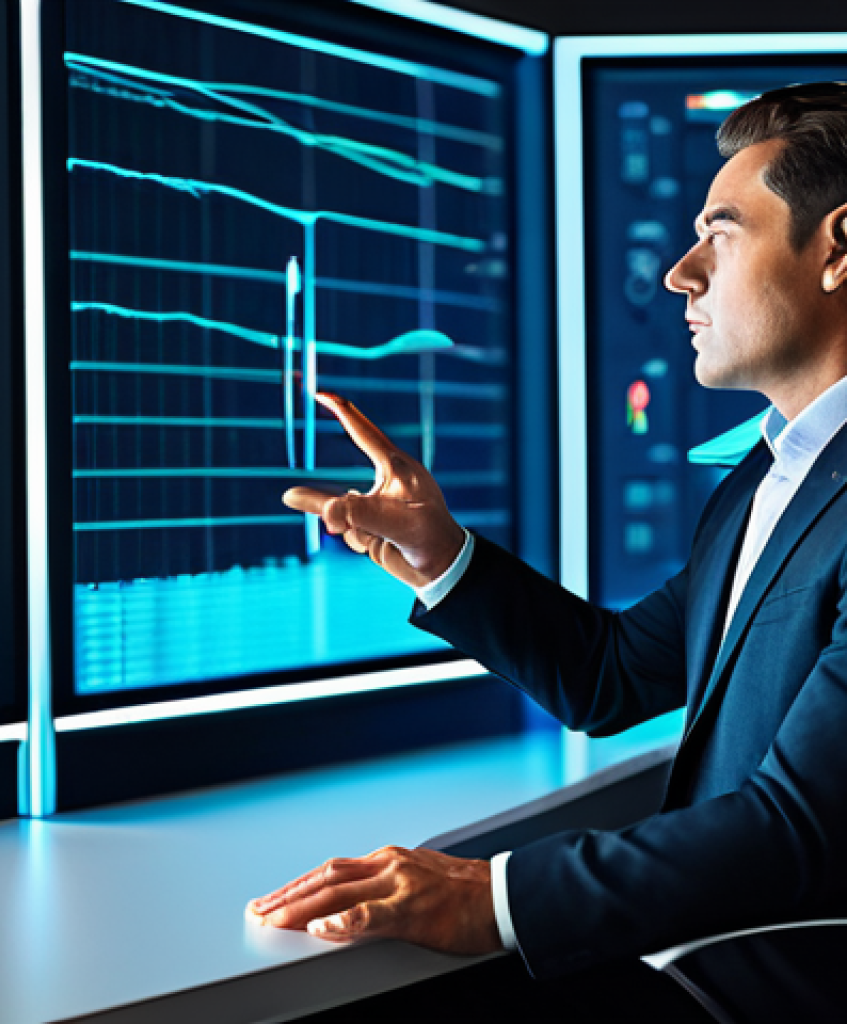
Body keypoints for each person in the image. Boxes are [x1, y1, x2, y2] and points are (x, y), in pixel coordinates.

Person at [247, 83, 847, 1020]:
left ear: (838, 249)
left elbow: (802, 832)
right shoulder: (768, 477)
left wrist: (489, 895)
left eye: (721, 234)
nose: (679, 274)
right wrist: (444, 555)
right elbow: (612, 676)